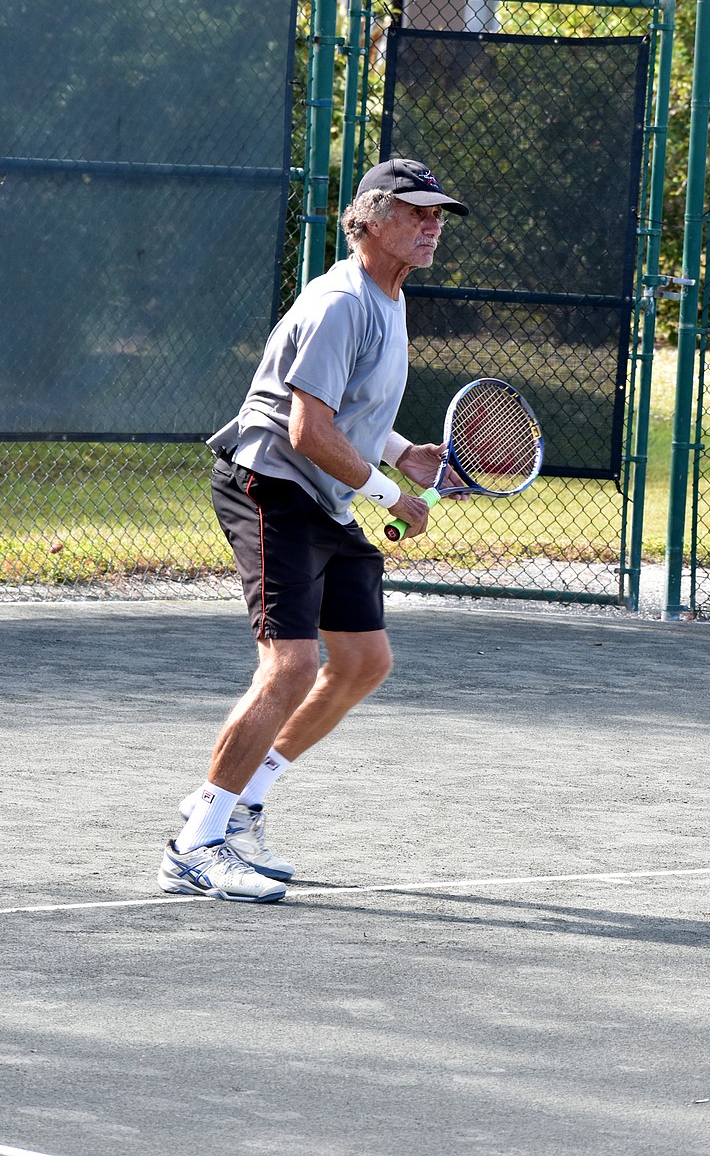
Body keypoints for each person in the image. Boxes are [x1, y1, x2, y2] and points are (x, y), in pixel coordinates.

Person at [157, 158, 470, 903]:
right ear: (371, 219)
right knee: (290, 665)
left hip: (322, 497)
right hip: (269, 485)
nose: (432, 226)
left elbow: (349, 409)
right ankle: (193, 844)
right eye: (416, 212)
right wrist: (393, 493)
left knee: (363, 662)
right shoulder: (340, 302)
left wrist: (400, 452)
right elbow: (305, 428)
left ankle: (243, 806)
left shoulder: (388, 300)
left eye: (438, 216)